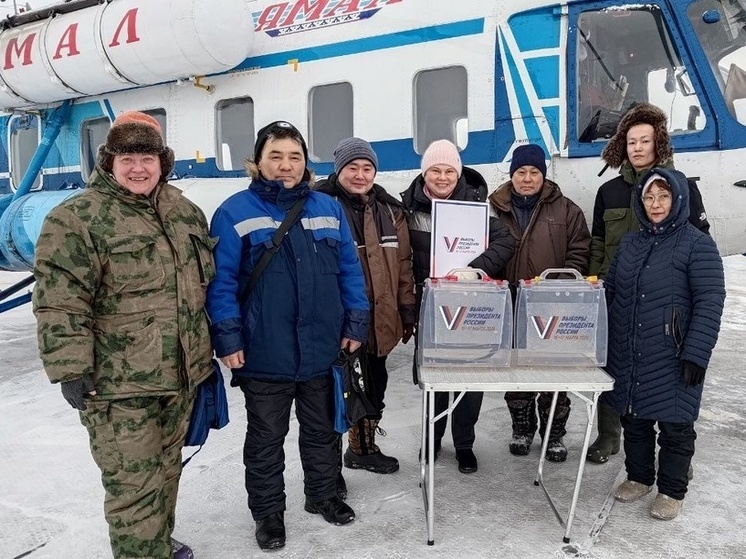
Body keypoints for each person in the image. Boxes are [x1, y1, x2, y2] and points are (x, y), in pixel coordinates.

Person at [33, 111, 214, 559]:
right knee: (133, 486)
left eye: (147, 157)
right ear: (109, 161)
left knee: (167, 471)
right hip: (116, 386)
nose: (138, 168)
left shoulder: (184, 212)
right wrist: (71, 368)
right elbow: (60, 299)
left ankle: (154, 545)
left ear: (163, 161)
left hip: (180, 377)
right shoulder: (76, 219)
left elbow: (202, 290)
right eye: (127, 157)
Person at [206, 121, 370, 551]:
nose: (285, 165)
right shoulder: (234, 211)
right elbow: (220, 283)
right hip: (264, 352)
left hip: (322, 348)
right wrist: (228, 338)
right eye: (275, 156)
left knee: (322, 431)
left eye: (294, 156)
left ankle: (323, 495)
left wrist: (356, 321)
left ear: (305, 163)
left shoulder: (327, 208)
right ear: (257, 162)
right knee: (266, 439)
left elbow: (350, 271)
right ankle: (269, 514)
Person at [587, 102, 711, 464]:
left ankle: (675, 461)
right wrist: (594, 289)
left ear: (659, 143)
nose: (638, 148)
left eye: (645, 141)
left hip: (666, 301)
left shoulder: (682, 187)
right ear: (621, 148)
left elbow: (701, 243)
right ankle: (609, 437)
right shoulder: (608, 192)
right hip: (618, 295)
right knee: (615, 367)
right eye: (630, 142)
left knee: (668, 381)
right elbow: (597, 244)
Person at [604, 168, 724, 520]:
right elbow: (611, 292)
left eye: (663, 196)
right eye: (649, 197)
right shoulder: (630, 242)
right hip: (629, 350)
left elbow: (710, 299)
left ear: (678, 199)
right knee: (634, 420)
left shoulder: (697, 244)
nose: (656, 204)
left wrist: (697, 353)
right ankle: (639, 478)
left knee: (675, 426)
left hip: (674, 354)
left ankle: (672, 490)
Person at [401, 139, 515, 474]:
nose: (442, 176)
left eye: (449, 170)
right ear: (425, 173)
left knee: (470, 380)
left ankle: (464, 444)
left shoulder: (477, 205)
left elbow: (506, 240)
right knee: (434, 379)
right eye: (435, 170)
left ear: (458, 172)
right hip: (430, 307)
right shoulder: (406, 209)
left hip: (470, 307)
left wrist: (475, 269)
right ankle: (433, 439)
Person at [315, 137, 416, 476]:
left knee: (375, 383)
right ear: (339, 169)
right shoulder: (321, 204)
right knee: (339, 391)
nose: (360, 175)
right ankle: (329, 470)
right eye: (352, 167)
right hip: (339, 320)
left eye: (367, 168)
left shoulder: (389, 209)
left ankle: (362, 448)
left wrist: (406, 310)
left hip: (381, 317)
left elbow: (403, 264)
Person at [488, 143, 591, 462]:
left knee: (553, 373)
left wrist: (554, 291)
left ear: (543, 176)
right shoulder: (494, 208)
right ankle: (522, 427)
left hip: (552, 307)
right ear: (512, 175)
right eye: (521, 172)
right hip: (509, 304)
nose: (528, 178)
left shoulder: (566, 210)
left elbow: (579, 252)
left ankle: (554, 434)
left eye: (534, 172)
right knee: (516, 372)